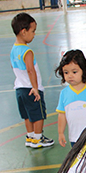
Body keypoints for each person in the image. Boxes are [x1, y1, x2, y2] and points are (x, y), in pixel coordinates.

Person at [10, 12, 54, 149]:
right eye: (33, 31)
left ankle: (30, 137)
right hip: (31, 88)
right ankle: (38, 138)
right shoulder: (27, 51)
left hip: (19, 88)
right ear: (24, 32)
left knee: (27, 115)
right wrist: (35, 87)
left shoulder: (14, 49)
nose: (34, 34)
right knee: (38, 115)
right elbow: (30, 70)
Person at [54, 50, 86, 148]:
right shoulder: (64, 94)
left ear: (83, 70)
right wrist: (60, 133)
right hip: (75, 138)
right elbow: (62, 115)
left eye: (74, 72)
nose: (70, 75)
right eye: (66, 72)